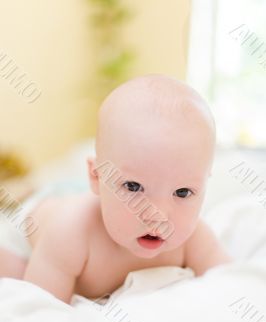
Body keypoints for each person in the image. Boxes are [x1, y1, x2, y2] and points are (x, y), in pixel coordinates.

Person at [0, 74, 232, 304]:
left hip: (92, 191)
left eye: (182, 192)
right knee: (11, 276)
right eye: (133, 187)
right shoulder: (70, 234)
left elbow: (231, 284)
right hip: (35, 220)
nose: (157, 215)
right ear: (96, 176)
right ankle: (21, 189)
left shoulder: (193, 238)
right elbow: (39, 314)